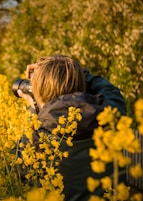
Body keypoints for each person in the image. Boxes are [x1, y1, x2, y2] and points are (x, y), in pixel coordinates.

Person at [15, 55, 127, 201]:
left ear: (37, 94)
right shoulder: (111, 114)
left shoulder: (34, 142)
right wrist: (73, 72)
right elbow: (110, 90)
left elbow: (11, 173)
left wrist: (37, 110)